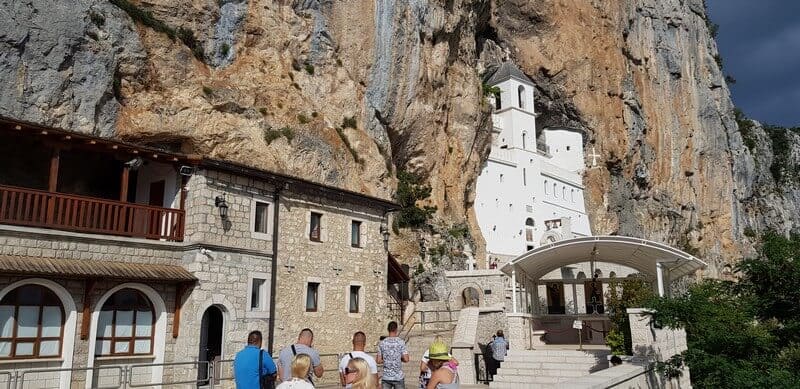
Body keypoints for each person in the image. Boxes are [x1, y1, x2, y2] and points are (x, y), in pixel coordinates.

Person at [376, 321, 409, 389]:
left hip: (386, 377)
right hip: (398, 377)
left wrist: (387, 359)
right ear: (396, 330)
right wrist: (399, 358)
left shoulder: (382, 343)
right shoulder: (401, 342)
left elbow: (378, 360)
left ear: (388, 329)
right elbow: (406, 359)